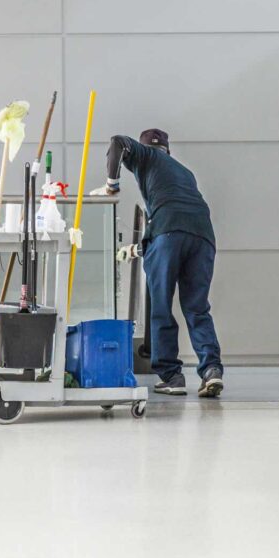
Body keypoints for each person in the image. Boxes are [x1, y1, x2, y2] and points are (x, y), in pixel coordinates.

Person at [91, 129, 223, 397]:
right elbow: (175, 227)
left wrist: (111, 185)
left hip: (168, 234)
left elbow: (117, 142)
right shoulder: (184, 173)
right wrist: (135, 250)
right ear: (168, 150)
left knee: (160, 306)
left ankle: (171, 376)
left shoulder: (145, 155)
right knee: (197, 308)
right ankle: (211, 370)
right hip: (203, 237)